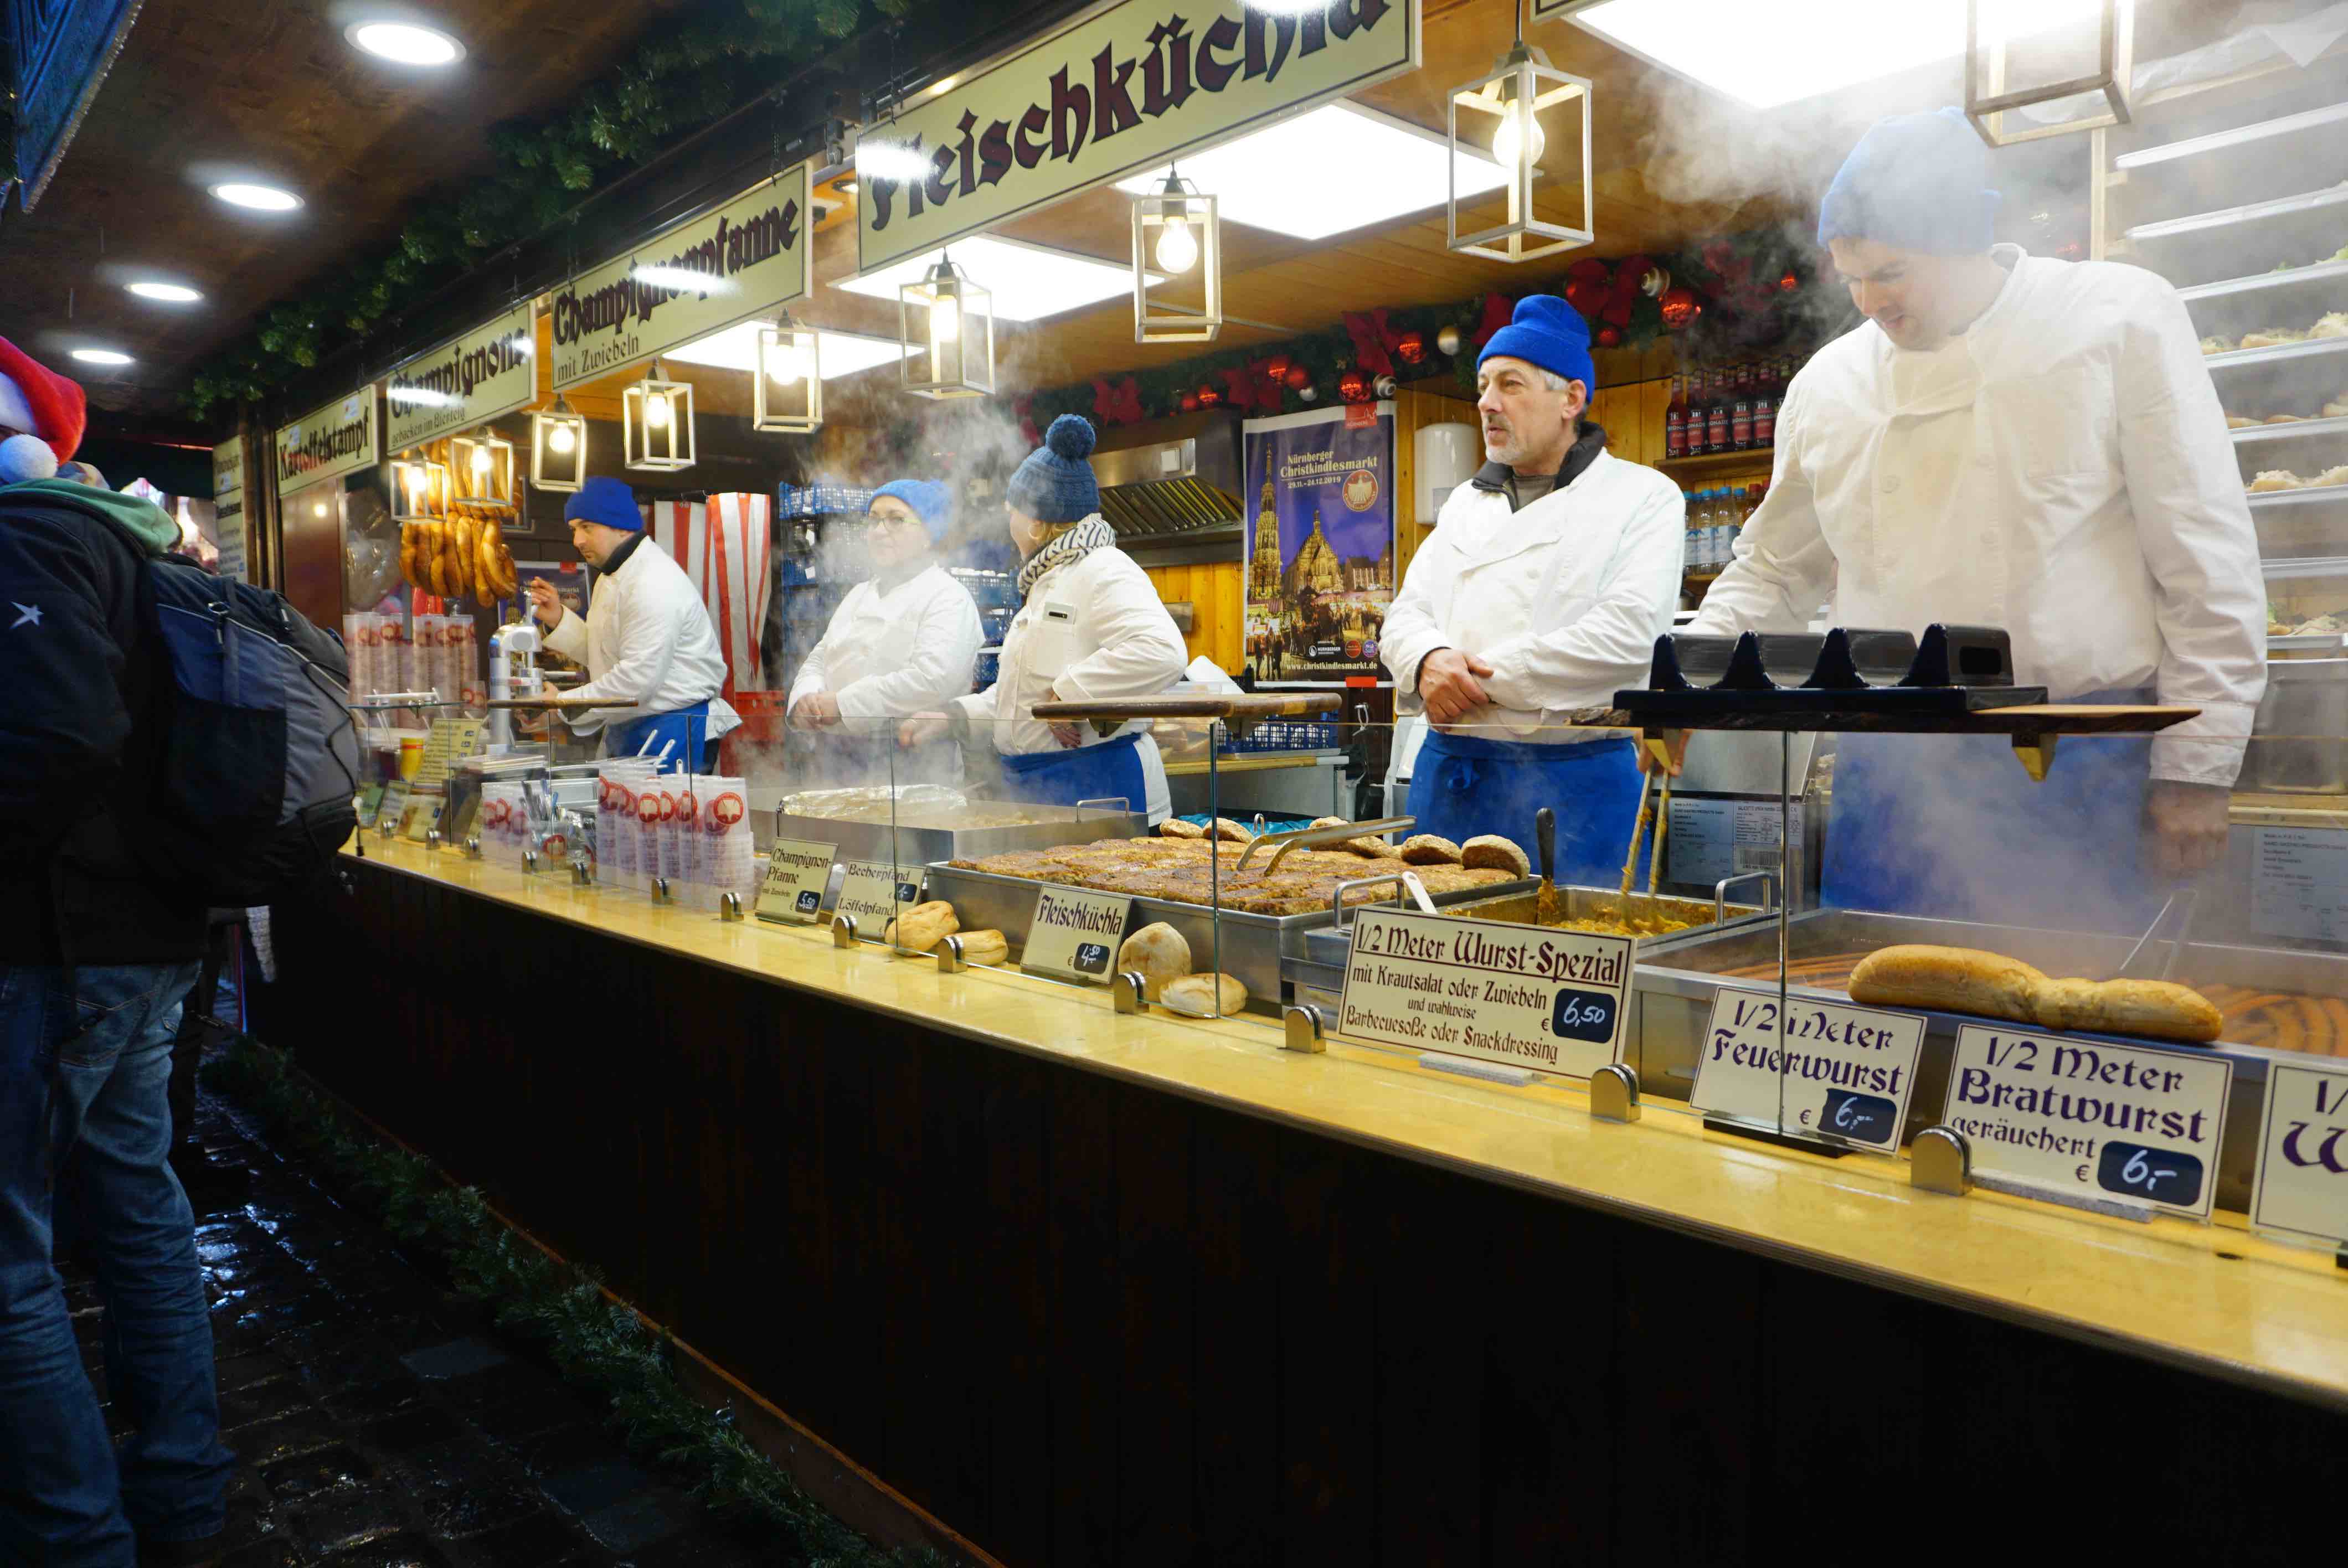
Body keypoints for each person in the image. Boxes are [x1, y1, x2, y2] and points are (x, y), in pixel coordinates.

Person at [1665, 107, 2265, 930]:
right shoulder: (1828, 385)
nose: (1870, 301)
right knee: (1866, 1020)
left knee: (2060, 1026)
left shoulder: (2116, 319)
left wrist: (2198, 768)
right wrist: (1683, 682)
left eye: (1892, 273)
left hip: (2075, 759)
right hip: (1890, 770)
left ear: (1964, 240)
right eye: (1851, 279)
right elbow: (1773, 568)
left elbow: (2205, 554)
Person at [0, 338, 236, 1566]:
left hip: (58, 945)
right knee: (138, 1205)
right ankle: (184, 1494)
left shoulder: (26, 531)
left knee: (11, 1256)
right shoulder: (129, 535)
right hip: (147, 937)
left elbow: (52, 738)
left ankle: (76, 1539)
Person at [1379, 295, 1687, 879]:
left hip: (1577, 790)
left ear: (1571, 398)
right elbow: (1405, 614)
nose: (1487, 404)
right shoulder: (1463, 506)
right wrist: (1426, 661)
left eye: (1510, 385)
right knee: (1442, 965)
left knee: (1579, 961)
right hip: (1450, 783)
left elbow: (1629, 638)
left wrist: (1470, 683)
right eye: (1483, 385)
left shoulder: (1641, 497)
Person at [900, 415, 1187, 821]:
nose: (1007, 519)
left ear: (1037, 522)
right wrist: (954, 716)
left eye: (1012, 509)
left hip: (1100, 787)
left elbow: (1163, 652)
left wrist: (1071, 692)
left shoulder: (1103, 567)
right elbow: (1026, 697)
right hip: (1041, 791)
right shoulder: (1046, 578)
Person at [525, 476, 741, 772]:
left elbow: (636, 682)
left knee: (665, 818)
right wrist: (559, 619)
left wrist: (563, 703)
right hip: (633, 727)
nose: (577, 540)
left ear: (620, 525)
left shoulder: (653, 580)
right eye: (574, 529)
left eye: (587, 527)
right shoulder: (612, 575)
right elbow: (608, 655)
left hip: (674, 728)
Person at [786, 479, 983, 786]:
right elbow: (820, 659)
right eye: (874, 520)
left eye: (896, 520)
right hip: (837, 760)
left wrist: (842, 704)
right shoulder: (859, 595)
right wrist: (804, 699)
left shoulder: (948, 597)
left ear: (929, 533)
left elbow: (932, 680)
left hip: (912, 761)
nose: (879, 531)